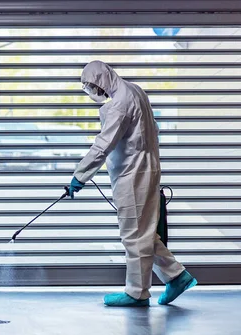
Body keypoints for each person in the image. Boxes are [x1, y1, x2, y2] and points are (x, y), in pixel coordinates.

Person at [69, 60, 197, 307]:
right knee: (143, 232)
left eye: (94, 87)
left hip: (134, 174)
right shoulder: (134, 90)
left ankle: (137, 293)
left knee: (133, 234)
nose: (95, 93)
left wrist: (80, 175)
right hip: (145, 167)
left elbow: (103, 145)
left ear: (102, 79)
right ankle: (177, 276)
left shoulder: (119, 104)